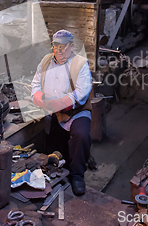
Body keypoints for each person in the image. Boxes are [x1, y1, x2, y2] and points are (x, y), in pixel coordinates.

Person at [31, 30, 92, 196]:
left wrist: (60, 103)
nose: (59, 50)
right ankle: (57, 166)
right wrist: (41, 99)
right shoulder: (45, 62)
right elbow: (35, 85)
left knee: (81, 135)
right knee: (52, 144)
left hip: (76, 112)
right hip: (54, 112)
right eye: (56, 46)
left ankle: (77, 175)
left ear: (71, 47)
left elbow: (81, 92)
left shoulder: (80, 64)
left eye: (64, 46)